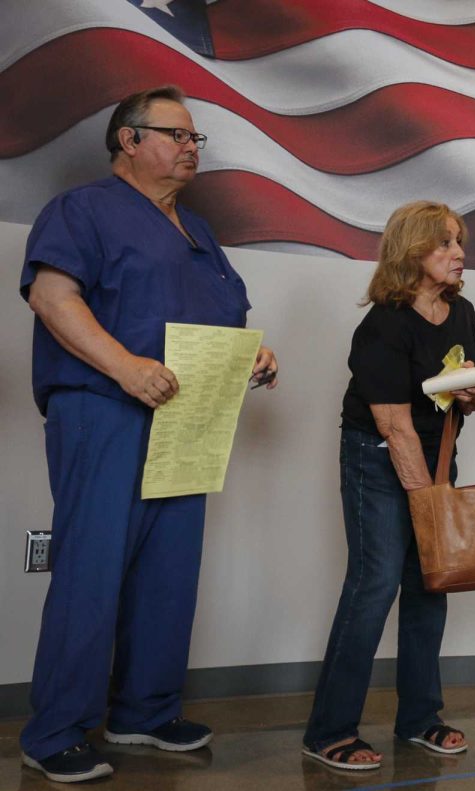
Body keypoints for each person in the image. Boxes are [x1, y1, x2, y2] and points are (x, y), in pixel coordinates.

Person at [17, 85, 278, 784]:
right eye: (177, 134)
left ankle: (144, 710)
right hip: (105, 409)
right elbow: (52, 296)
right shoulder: (83, 209)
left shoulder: (200, 232)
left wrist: (252, 354)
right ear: (128, 141)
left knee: (168, 573)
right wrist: (126, 368)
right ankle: (55, 731)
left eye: (197, 139)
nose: (192, 148)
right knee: (91, 571)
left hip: (188, 419)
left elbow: (221, 315)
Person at [302, 200, 475, 771]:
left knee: (432, 582)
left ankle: (420, 719)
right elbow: (393, 424)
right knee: (375, 583)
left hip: (435, 456)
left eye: (459, 242)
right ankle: (329, 729)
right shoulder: (383, 323)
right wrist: (427, 501)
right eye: (444, 245)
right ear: (412, 254)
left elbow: (464, 392)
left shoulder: (463, 311)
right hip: (378, 457)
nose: (459, 254)